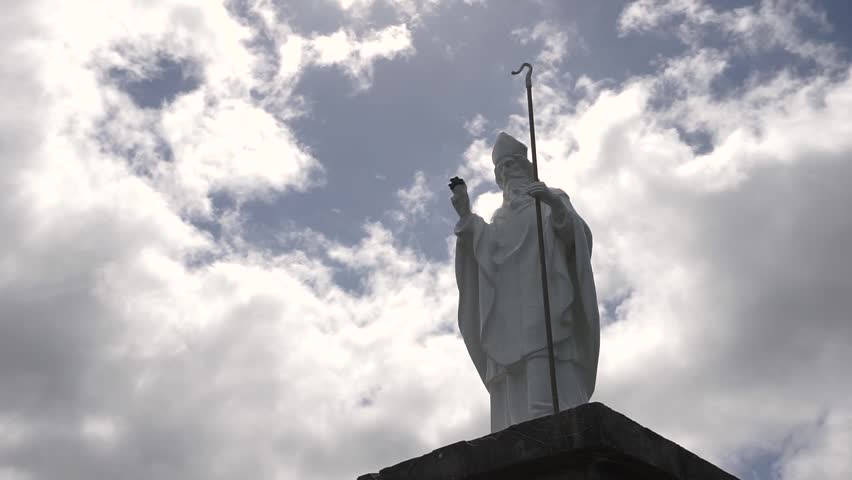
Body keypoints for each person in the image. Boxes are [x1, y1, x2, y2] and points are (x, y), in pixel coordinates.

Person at [452, 131, 600, 432]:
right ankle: (517, 422)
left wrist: (553, 205)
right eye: (502, 169)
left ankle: (545, 415)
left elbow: (576, 238)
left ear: (527, 167)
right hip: (508, 305)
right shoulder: (500, 218)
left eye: (513, 165)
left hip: (545, 293)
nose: (508, 173)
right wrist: (466, 215)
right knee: (512, 354)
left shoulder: (550, 200)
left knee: (540, 341)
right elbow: (485, 244)